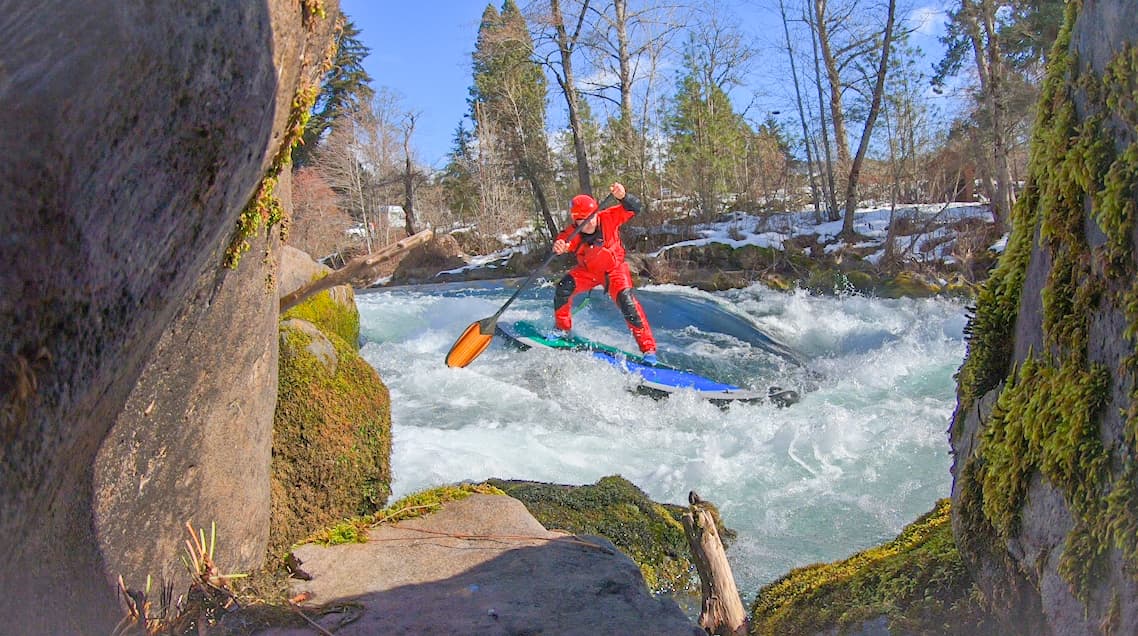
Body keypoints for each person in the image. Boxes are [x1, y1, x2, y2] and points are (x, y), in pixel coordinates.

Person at [552, 182, 658, 364]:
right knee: (563, 288)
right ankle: (562, 331)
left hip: (614, 270)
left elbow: (635, 208)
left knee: (628, 303)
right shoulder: (573, 232)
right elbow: (563, 240)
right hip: (588, 272)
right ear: (576, 221)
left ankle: (648, 350)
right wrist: (559, 246)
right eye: (582, 220)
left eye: (591, 217)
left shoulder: (609, 217)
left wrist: (623, 197)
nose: (589, 223)